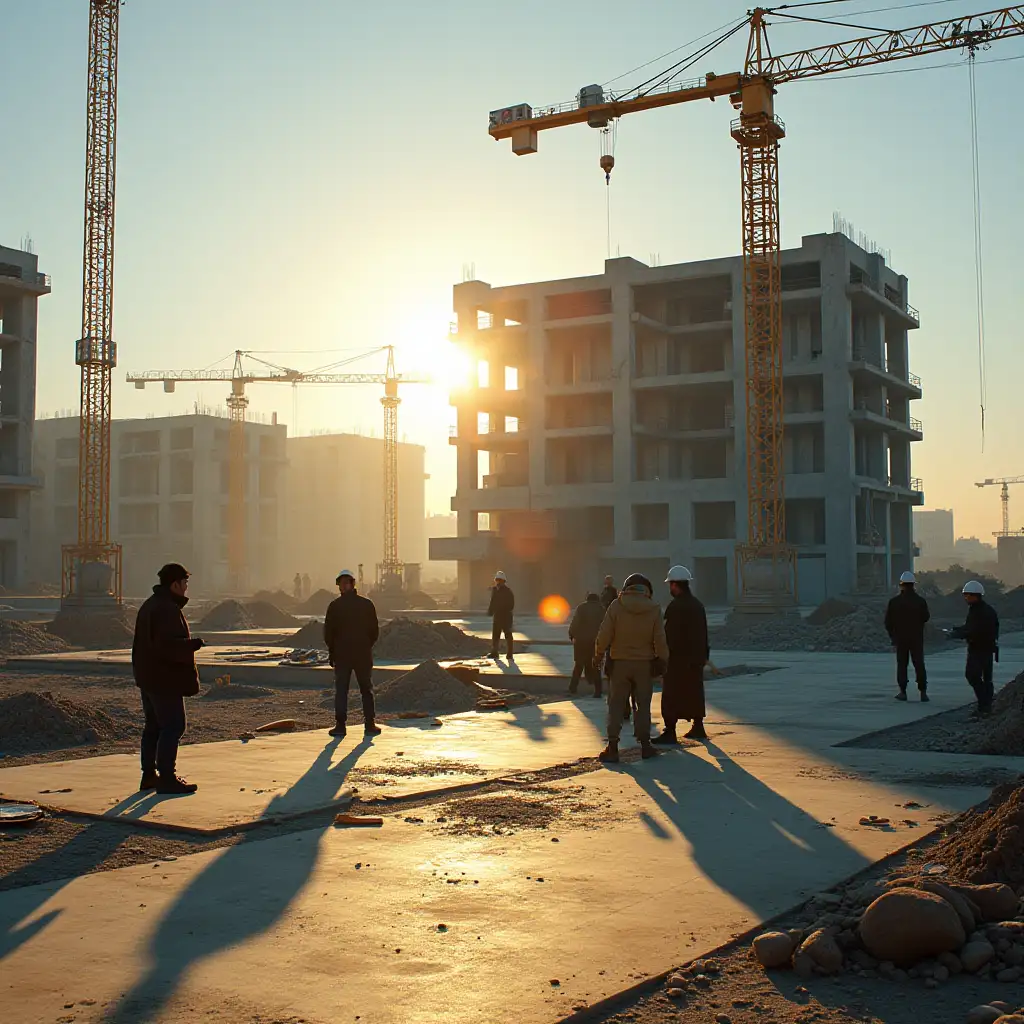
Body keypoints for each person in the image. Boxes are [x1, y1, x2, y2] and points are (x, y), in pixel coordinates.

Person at [131, 563, 205, 795]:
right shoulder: (166, 609)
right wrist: (194, 644)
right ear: (175, 584)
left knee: (154, 726)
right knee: (173, 726)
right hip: (164, 678)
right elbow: (167, 646)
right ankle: (167, 777)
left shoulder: (151, 605)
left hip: (149, 677)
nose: (186, 589)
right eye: (184, 584)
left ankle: (149, 776)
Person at [594, 572, 668, 763]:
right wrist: (663, 660)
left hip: (619, 664)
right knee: (642, 706)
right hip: (644, 665)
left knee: (616, 705)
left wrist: (598, 654)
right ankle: (645, 745)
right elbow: (660, 638)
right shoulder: (654, 608)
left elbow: (604, 634)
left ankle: (612, 747)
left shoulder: (616, 606)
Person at [654, 565, 709, 743]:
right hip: (696, 659)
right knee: (695, 692)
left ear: (675, 585)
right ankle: (698, 726)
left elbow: (669, 635)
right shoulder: (698, 605)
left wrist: (661, 656)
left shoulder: (675, 607)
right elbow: (703, 633)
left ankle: (670, 730)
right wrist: (703, 656)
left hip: (677, 660)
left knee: (671, 694)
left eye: (670, 585)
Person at [323, 569, 381, 738]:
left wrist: (334, 651)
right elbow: (374, 632)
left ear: (350, 584)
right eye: (342, 584)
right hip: (361, 654)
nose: (343, 587)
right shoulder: (366, 604)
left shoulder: (335, 606)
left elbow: (329, 634)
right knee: (365, 689)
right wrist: (365, 645)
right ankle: (369, 725)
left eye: (344, 583)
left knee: (343, 690)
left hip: (344, 655)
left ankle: (341, 726)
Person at [950, 580, 1000, 717]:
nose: (965, 598)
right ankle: (985, 707)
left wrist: (959, 634)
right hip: (985, 649)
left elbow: (974, 630)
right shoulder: (980, 609)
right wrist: (957, 630)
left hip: (980, 650)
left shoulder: (981, 612)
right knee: (985, 678)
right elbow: (970, 627)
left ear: (975, 595)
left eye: (968, 595)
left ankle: (985, 706)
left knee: (973, 676)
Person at [884, 570, 931, 703]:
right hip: (916, 638)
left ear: (901, 585)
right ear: (913, 585)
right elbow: (926, 617)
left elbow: (888, 622)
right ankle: (923, 692)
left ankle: (903, 692)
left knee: (902, 665)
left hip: (900, 639)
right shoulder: (920, 601)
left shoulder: (894, 602)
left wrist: (893, 636)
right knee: (919, 664)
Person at [568, 592, 606, 697]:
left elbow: (575, 622)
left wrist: (571, 634)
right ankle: (598, 691)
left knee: (579, 665)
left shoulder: (581, 607)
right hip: (595, 642)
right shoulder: (601, 609)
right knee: (596, 665)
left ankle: (572, 688)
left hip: (580, 641)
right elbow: (605, 626)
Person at [487, 570, 515, 660]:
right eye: (497, 580)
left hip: (506, 616)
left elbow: (511, 604)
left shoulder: (508, 591)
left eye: (500, 580)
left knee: (508, 634)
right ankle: (495, 652)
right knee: (495, 635)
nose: (498, 582)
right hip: (497, 616)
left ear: (503, 581)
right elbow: (493, 601)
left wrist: (503, 609)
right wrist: (490, 611)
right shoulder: (495, 590)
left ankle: (509, 653)